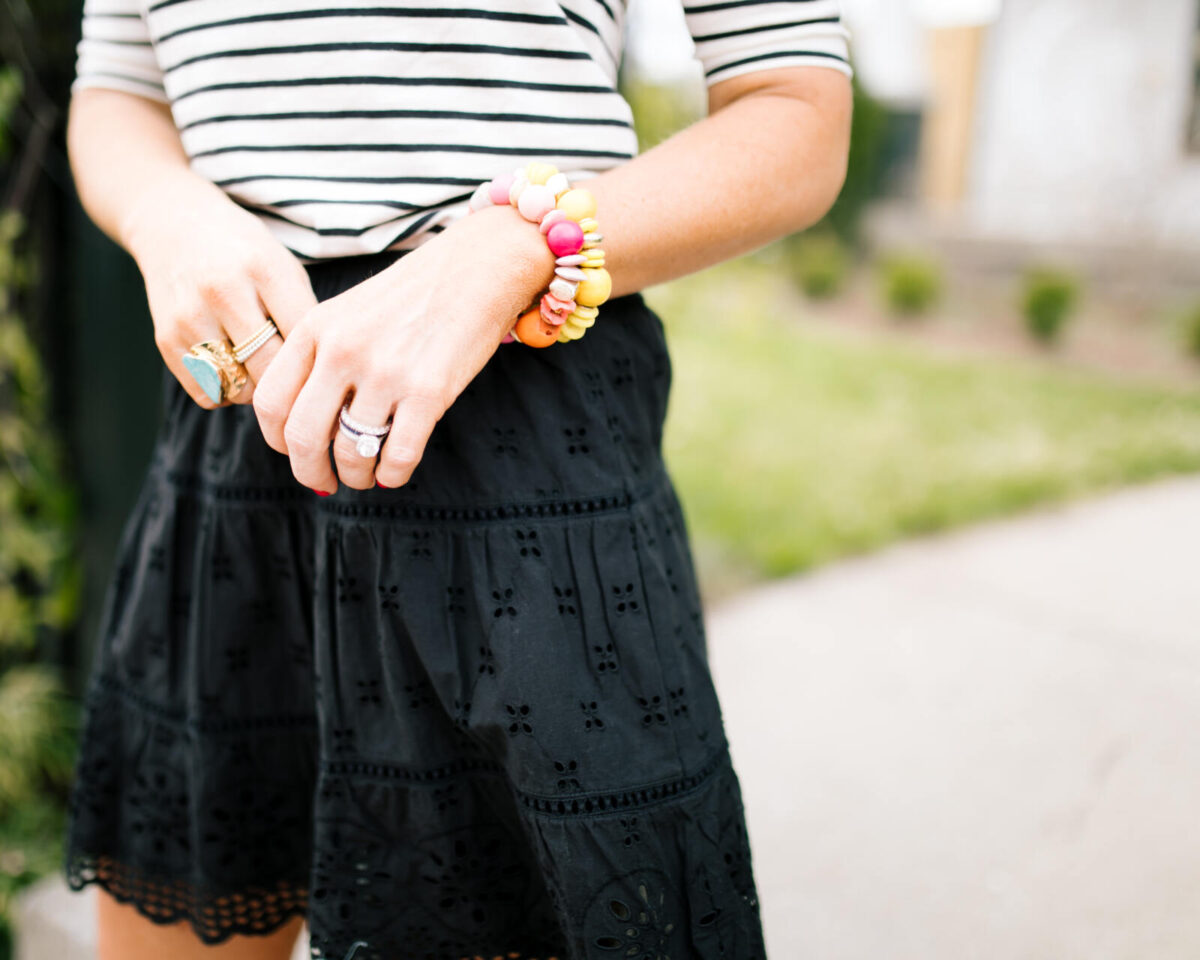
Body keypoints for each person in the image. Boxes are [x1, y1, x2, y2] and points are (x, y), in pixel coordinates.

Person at [62, 0, 852, 957]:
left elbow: (795, 107)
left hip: (519, 442)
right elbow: (116, 90)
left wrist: (516, 249)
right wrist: (169, 220)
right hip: (233, 427)